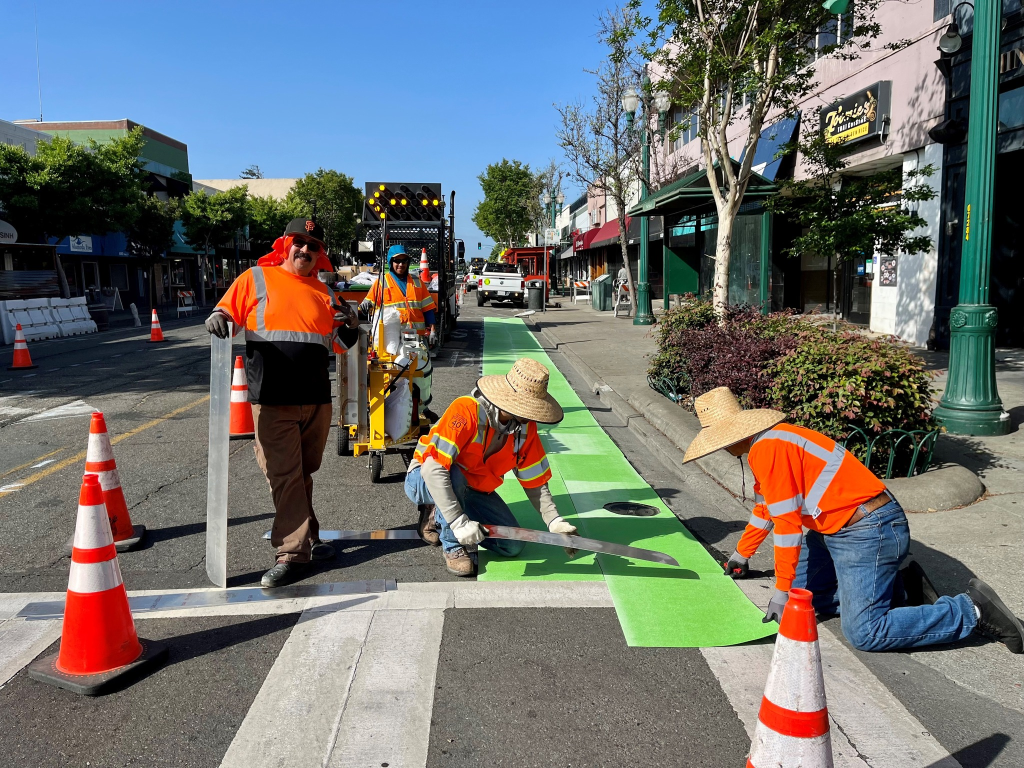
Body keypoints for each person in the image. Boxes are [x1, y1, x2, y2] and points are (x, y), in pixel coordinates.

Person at [683, 387, 1024, 654]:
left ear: (734, 435)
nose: (719, 448)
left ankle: (973, 611)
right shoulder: (772, 441)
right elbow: (766, 510)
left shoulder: (767, 450)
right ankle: (900, 589)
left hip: (868, 529)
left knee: (865, 632)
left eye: (718, 442)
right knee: (804, 602)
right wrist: (741, 555)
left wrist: (782, 589)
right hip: (839, 529)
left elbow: (787, 528)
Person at [205, 218, 360, 588]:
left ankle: (310, 537)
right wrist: (218, 316)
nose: (305, 250)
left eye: (313, 246)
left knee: (302, 473)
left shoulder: (326, 292)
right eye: (299, 242)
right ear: (285, 244)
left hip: (316, 400)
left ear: (320, 254)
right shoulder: (256, 278)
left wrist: (353, 326)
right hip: (273, 399)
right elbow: (228, 312)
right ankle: (292, 552)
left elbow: (339, 344)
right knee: (285, 475)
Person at [404, 357, 576, 575]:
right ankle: (452, 544)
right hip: (425, 479)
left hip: (472, 489)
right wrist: (458, 523)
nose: (533, 415)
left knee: (512, 545)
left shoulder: (524, 428)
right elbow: (433, 469)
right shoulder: (466, 411)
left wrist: (554, 521)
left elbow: (535, 481)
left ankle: (448, 511)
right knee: (454, 475)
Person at [359, 244, 438, 420]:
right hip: (391, 339)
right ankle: (387, 410)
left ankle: (422, 408)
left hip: (414, 337)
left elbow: (427, 308)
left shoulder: (416, 282)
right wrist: (364, 306)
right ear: (390, 262)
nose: (400, 264)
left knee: (422, 372)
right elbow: (368, 303)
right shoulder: (382, 282)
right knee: (391, 373)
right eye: (397, 261)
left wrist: (432, 329)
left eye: (404, 261)